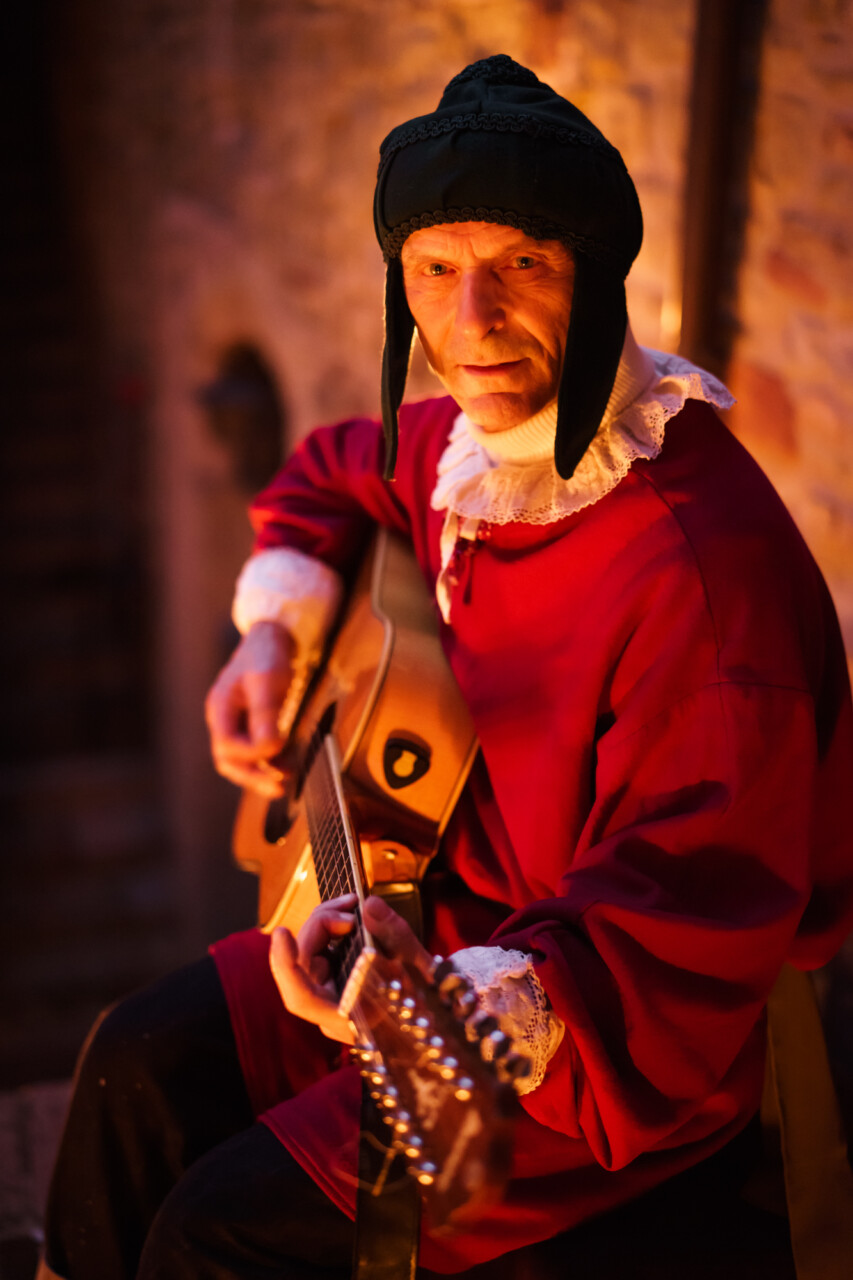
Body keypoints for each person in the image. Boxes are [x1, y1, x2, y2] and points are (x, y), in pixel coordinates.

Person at [41, 55, 853, 1280]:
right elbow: (333, 466)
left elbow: (676, 928)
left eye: (521, 264)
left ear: (595, 273)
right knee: (133, 1065)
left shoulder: (700, 578)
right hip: (440, 921)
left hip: (597, 1041)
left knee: (213, 1233)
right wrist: (272, 628)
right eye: (433, 270)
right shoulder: (481, 450)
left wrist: (443, 993)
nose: (470, 321)